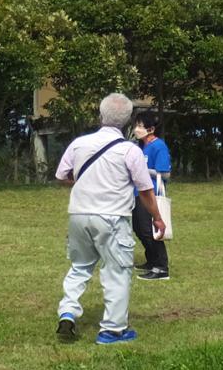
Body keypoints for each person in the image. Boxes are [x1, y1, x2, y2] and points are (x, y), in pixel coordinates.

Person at [54, 92, 165, 345]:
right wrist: (157, 218)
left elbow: (62, 176)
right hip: (113, 218)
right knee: (117, 271)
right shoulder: (130, 151)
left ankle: (68, 311)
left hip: (79, 215)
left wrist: (83, 184)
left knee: (80, 266)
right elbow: (145, 191)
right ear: (127, 121)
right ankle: (113, 330)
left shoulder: (79, 144)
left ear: (100, 115)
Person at [131, 111, 172, 281]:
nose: (137, 129)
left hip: (150, 193)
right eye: (137, 125)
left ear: (151, 129)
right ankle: (151, 260)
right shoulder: (141, 147)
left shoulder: (158, 146)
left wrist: (141, 170)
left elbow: (165, 173)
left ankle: (161, 267)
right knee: (139, 228)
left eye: (141, 126)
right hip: (137, 192)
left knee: (150, 231)